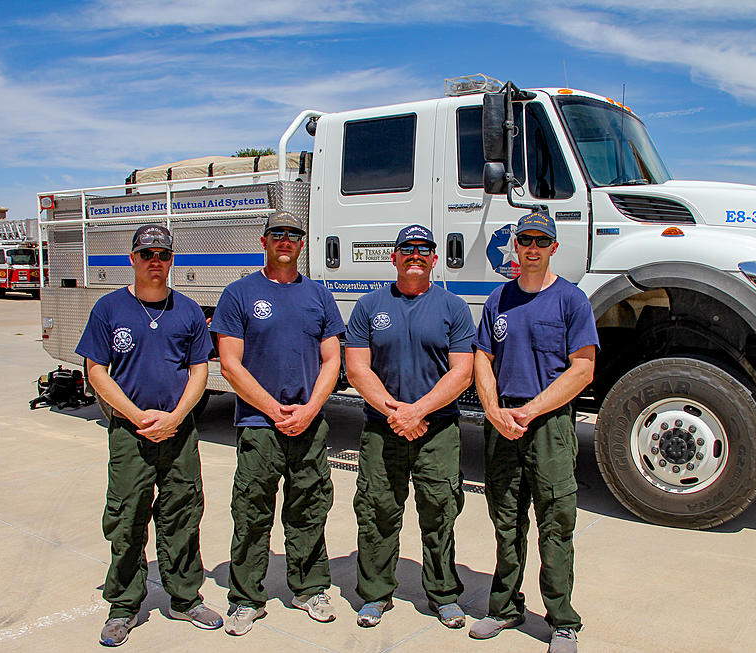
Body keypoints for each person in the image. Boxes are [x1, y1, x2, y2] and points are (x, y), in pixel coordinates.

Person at [76, 224, 222, 647]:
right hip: (130, 434)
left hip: (180, 433)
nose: (154, 261)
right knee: (126, 519)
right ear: (133, 259)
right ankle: (123, 607)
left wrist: (176, 416)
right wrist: (138, 416)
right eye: (146, 254)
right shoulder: (108, 309)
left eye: (162, 254)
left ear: (172, 260)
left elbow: (200, 370)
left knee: (182, 515)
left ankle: (185, 598)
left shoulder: (189, 310)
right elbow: (96, 371)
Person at [468, 212, 598, 653]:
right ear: (516, 247)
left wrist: (531, 409)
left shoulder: (571, 300)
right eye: (526, 240)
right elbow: (481, 359)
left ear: (554, 248)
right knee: (506, 521)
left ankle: (562, 620)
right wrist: (493, 410)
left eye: (542, 241)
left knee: (556, 524)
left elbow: (583, 368)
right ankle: (504, 608)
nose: (533, 247)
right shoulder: (497, 300)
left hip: (549, 427)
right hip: (503, 425)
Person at [210, 210, 344, 636]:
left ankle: (309, 588)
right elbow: (230, 365)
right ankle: (246, 598)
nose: (285, 241)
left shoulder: (319, 296)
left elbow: (333, 359)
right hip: (258, 423)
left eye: (293, 235)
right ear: (263, 241)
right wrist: (272, 408)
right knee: (251, 511)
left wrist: (309, 409)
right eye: (277, 234)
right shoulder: (238, 294)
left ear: (302, 243)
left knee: (309, 507)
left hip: (308, 423)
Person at [345, 224, 475, 629]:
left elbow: (463, 373)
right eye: (407, 248)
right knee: (377, 511)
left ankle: (443, 595)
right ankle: (375, 594)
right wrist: (395, 413)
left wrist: (417, 411)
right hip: (383, 428)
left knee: (440, 512)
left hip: (437, 430)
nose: (415, 255)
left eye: (423, 249)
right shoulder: (369, 306)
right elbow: (356, 368)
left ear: (435, 258)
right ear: (394, 256)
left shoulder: (453, 307)